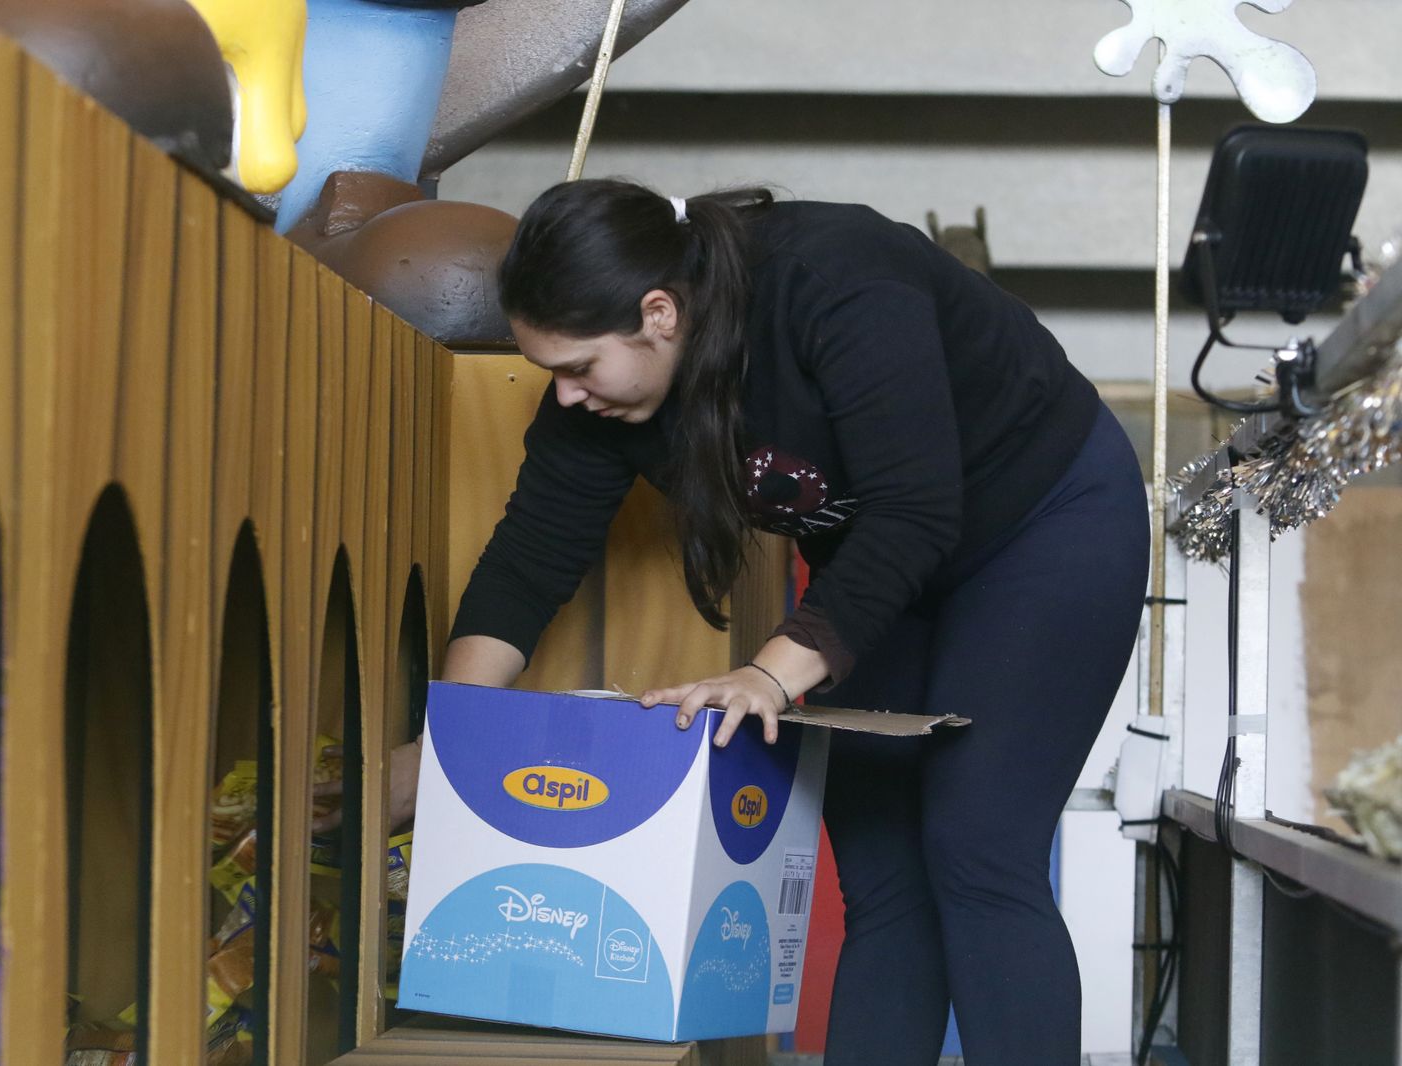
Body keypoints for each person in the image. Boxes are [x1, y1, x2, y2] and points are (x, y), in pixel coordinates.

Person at [390, 178, 1150, 1065]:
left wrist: (765, 675)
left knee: (976, 848)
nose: (563, 395)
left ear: (660, 312)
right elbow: (529, 556)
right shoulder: (606, 403)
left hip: (1043, 522)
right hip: (879, 575)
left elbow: (914, 511)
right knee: (882, 873)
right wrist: (447, 747)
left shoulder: (834, 278)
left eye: (577, 367)